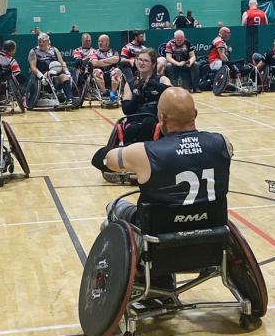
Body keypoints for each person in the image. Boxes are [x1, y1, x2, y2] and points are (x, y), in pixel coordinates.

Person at [92, 87, 231, 225]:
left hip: (159, 231)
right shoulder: (223, 143)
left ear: (161, 117)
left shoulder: (145, 153)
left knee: (114, 206)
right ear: (195, 114)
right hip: (212, 224)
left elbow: (100, 160)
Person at [28, 33, 75, 101]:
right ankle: (57, 93)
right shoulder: (34, 51)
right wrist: (41, 77)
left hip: (56, 74)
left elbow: (62, 63)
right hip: (43, 75)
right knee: (51, 73)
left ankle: (70, 98)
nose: (41, 43)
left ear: (48, 42)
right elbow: (33, 67)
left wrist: (67, 71)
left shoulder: (54, 50)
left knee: (64, 77)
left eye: (43, 42)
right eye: (39, 42)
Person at [92, 35, 122, 103]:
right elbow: (95, 63)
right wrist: (110, 61)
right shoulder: (95, 52)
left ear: (107, 43)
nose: (99, 43)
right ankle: (105, 92)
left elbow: (116, 59)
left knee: (117, 71)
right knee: (97, 71)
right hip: (100, 73)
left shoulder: (114, 51)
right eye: (99, 41)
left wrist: (101, 61)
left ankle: (113, 93)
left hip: (112, 72)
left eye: (102, 41)